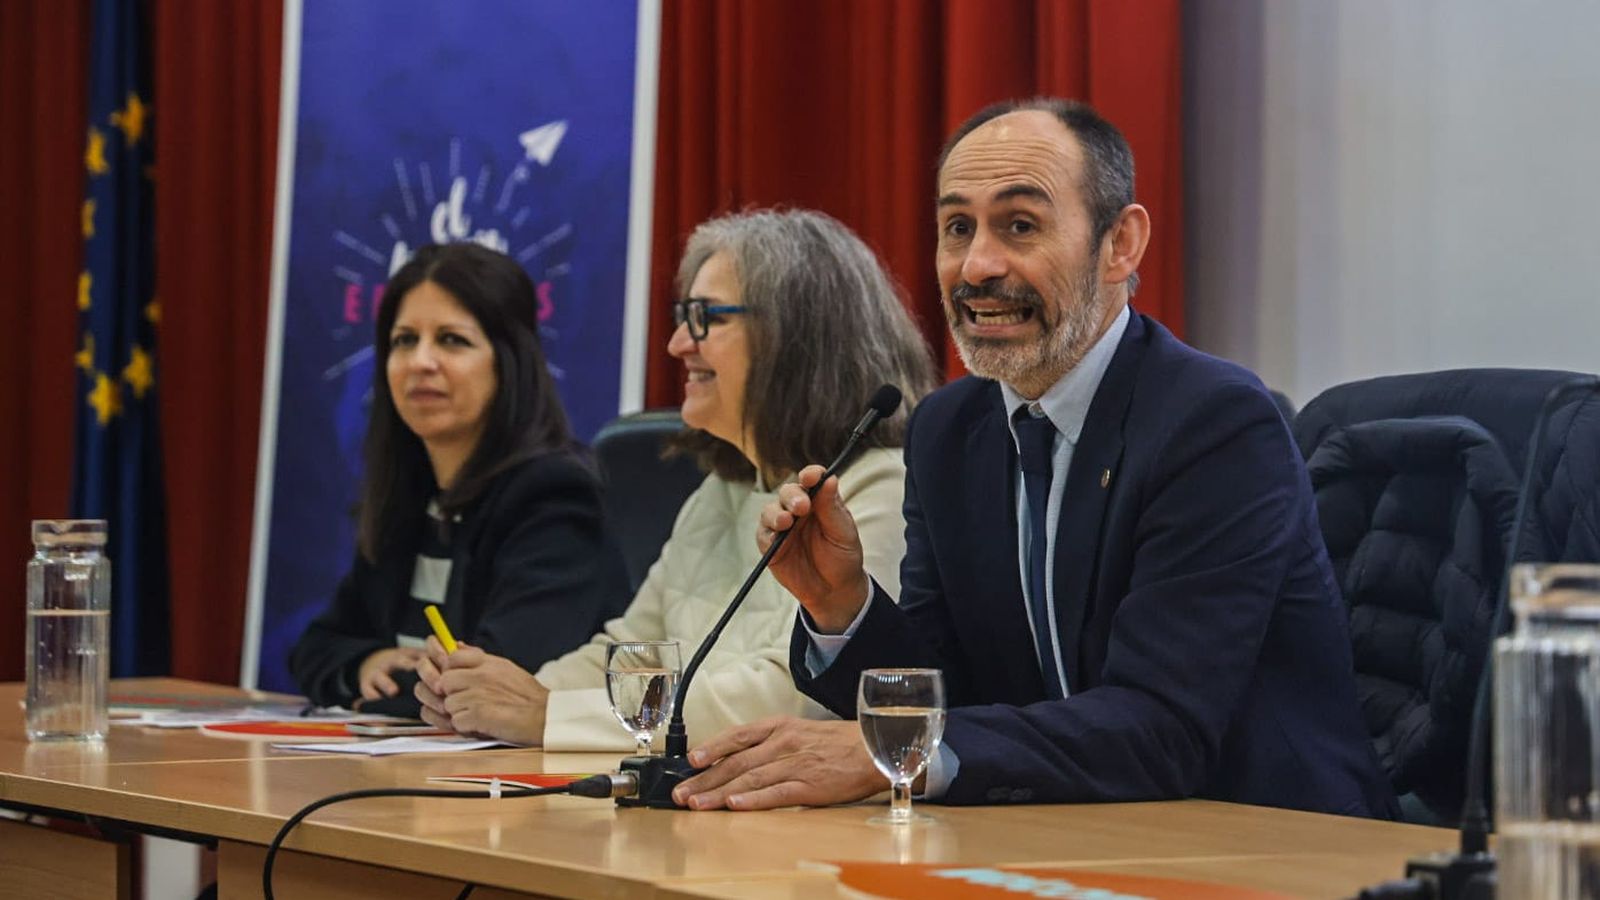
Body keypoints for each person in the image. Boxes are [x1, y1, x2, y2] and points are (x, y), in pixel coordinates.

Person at [673, 99, 1397, 818]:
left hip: (1269, 843)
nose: (978, 266)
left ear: (1120, 245)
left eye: (1020, 225)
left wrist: (889, 751)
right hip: (1063, 834)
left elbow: (1163, 728)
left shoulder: (1213, 424)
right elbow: (952, 688)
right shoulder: (948, 430)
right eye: (957, 228)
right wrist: (842, 608)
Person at [413, 209, 939, 749]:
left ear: (796, 335)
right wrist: (491, 700)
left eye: (705, 318)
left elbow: (796, 699)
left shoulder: (884, 487)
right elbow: (630, 653)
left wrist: (547, 716)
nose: (678, 344)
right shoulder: (722, 490)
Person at [289, 242, 628, 714]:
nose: (420, 361)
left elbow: (493, 685)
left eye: (452, 340)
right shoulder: (411, 491)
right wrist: (366, 664)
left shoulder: (554, 496)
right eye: (404, 340)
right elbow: (315, 647)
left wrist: (382, 690)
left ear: (508, 363)